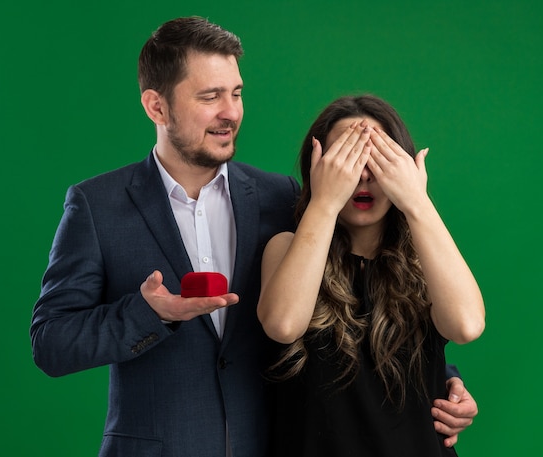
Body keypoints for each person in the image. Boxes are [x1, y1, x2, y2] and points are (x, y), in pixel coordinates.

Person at [30, 17, 478, 457]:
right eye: (210, 96)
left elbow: (348, 304)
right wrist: (148, 314)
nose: (231, 111)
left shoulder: (279, 197)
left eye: (236, 93)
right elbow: (52, 342)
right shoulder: (97, 205)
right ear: (157, 107)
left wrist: (442, 377)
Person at [257, 94, 485, 456]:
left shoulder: (425, 257)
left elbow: (466, 325)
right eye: (347, 159)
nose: (363, 175)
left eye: (378, 158)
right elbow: (283, 324)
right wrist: (325, 200)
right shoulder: (285, 248)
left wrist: (416, 200)